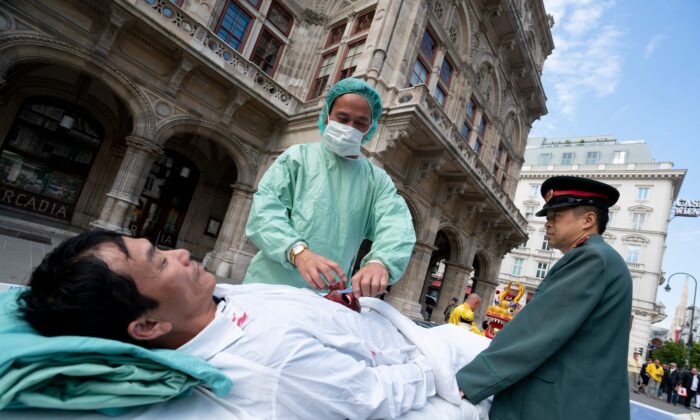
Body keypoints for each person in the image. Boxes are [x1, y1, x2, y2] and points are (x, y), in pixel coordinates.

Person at [16, 230, 489, 419]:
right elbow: (376, 395)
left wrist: (333, 309)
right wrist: (450, 369)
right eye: (159, 263)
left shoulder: (214, 301)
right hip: (445, 362)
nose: (181, 253)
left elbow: (293, 315)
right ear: (147, 326)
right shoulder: (271, 366)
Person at [455, 176, 632, 419]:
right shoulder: (600, 257)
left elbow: (536, 329)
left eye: (555, 216)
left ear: (588, 220)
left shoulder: (591, 259)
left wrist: (469, 381)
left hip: (562, 404)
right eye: (548, 218)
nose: (547, 224)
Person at [244, 78, 415, 299]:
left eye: (360, 123)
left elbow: (397, 225)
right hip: (268, 288)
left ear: (371, 127)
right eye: (342, 118)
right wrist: (299, 253)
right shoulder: (297, 158)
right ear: (327, 116)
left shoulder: (377, 180)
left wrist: (380, 261)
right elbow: (264, 213)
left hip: (326, 299)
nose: (349, 128)